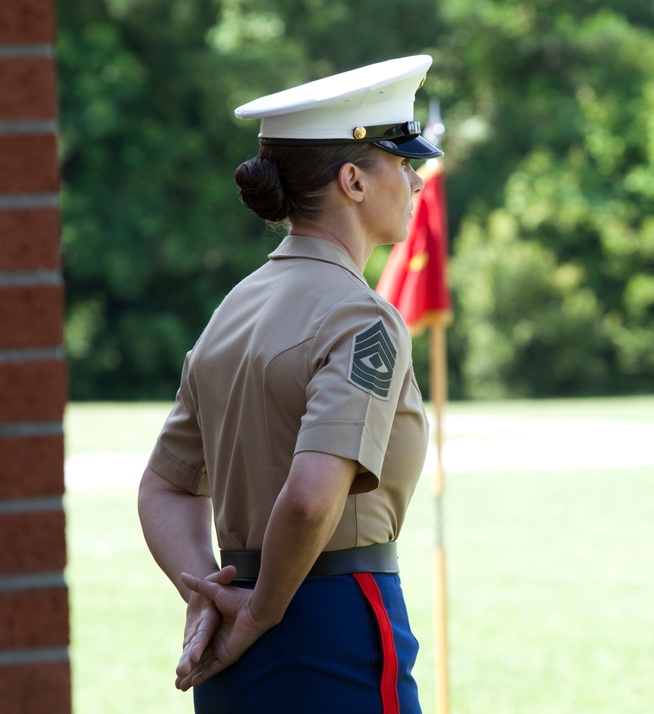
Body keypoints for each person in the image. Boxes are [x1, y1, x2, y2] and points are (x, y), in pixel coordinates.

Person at [136, 55, 443, 714]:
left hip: (228, 637)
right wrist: (260, 613)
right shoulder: (362, 316)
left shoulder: (233, 309)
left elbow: (163, 484)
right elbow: (310, 499)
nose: (417, 182)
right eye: (404, 162)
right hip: (330, 628)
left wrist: (208, 596)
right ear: (354, 180)